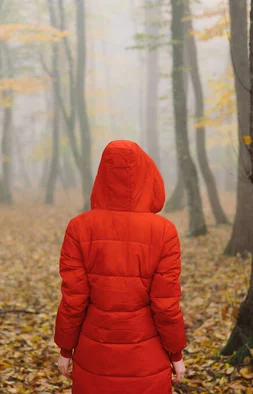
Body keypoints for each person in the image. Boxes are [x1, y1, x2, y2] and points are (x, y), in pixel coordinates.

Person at [54, 140, 187, 393]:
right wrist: (176, 354)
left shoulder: (79, 227)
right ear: (146, 174)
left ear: (102, 174)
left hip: (94, 354)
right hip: (147, 359)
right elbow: (165, 303)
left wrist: (65, 349)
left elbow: (73, 298)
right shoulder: (164, 231)